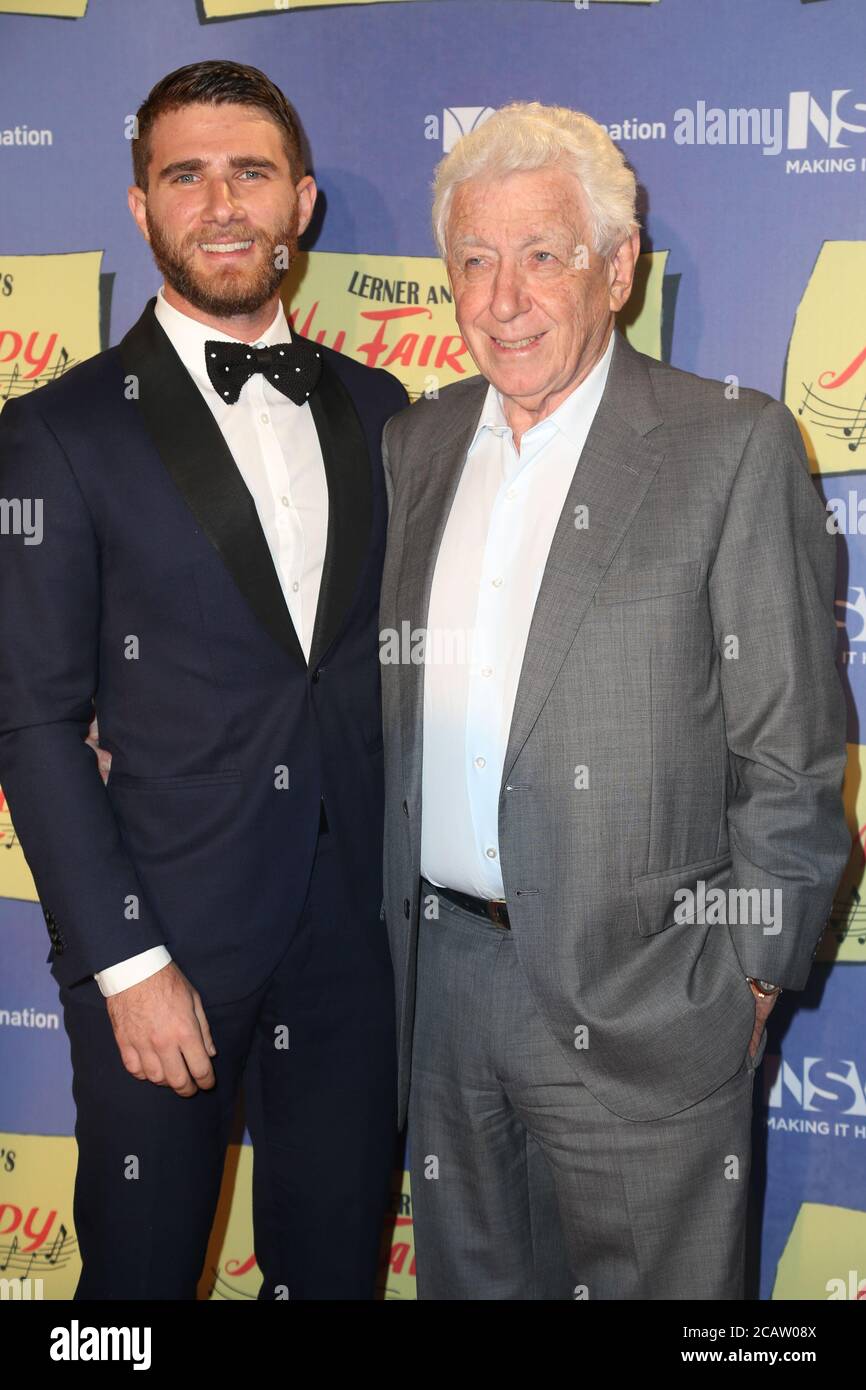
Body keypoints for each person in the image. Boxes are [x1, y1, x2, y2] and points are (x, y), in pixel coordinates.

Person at [378, 101, 850, 1300]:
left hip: (652, 999)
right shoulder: (417, 446)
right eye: (473, 261)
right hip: (445, 995)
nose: (503, 295)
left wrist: (744, 982)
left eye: (543, 253)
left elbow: (791, 756)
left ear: (618, 267)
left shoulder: (728, 448)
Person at [0, 59, 406, 1300]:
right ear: (139, 207)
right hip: (162, 936)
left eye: (250, 173)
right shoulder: (58, 433)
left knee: (333, 1271)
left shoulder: (385, 409)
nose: (221, 204)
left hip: (353, 942)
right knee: (132, 1283)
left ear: (303, 203)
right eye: (186, 175)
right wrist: (128, 965)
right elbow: (31, 717)